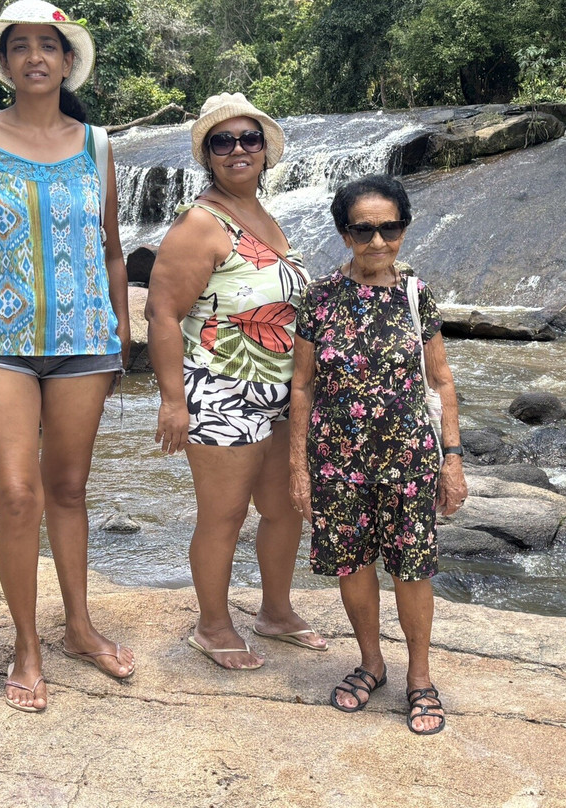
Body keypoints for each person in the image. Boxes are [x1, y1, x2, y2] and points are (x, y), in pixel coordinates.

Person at [0, 0, 133, 713]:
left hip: (85, 344)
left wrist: (122, 335)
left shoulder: (98, 146)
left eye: (50, 45)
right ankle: (26, 642)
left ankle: (78, 626)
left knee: (69, 490)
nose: (36, 57)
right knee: (17, 494)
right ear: (6, 60)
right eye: (21, 46)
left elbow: (111, 251)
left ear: (68, 60)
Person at [145, 93, 326, 670]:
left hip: (278, 391)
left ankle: (275, 612)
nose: (238, 149)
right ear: (208, 155)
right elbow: (162, 313)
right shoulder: (202, 222)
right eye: (223, 142)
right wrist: (174, 400)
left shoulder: (267, 219)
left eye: (249, 139)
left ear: (266, 152)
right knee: (223, 516)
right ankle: (213, 625)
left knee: (283, 508)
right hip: (222, 389)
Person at [289, 174, 468, 735]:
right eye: (363, 229)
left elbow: (440, 381)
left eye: (389, 228)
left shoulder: (418, 295)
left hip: (410, 459)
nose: (377, 241)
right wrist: (298, 468)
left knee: (413, 570)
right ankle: (371, 662)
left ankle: (420, 677)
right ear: (345, 234)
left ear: (404, 229)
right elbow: (302, 387)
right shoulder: (319, 298)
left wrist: (453, 459)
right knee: (352, 565)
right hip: (338, 461)